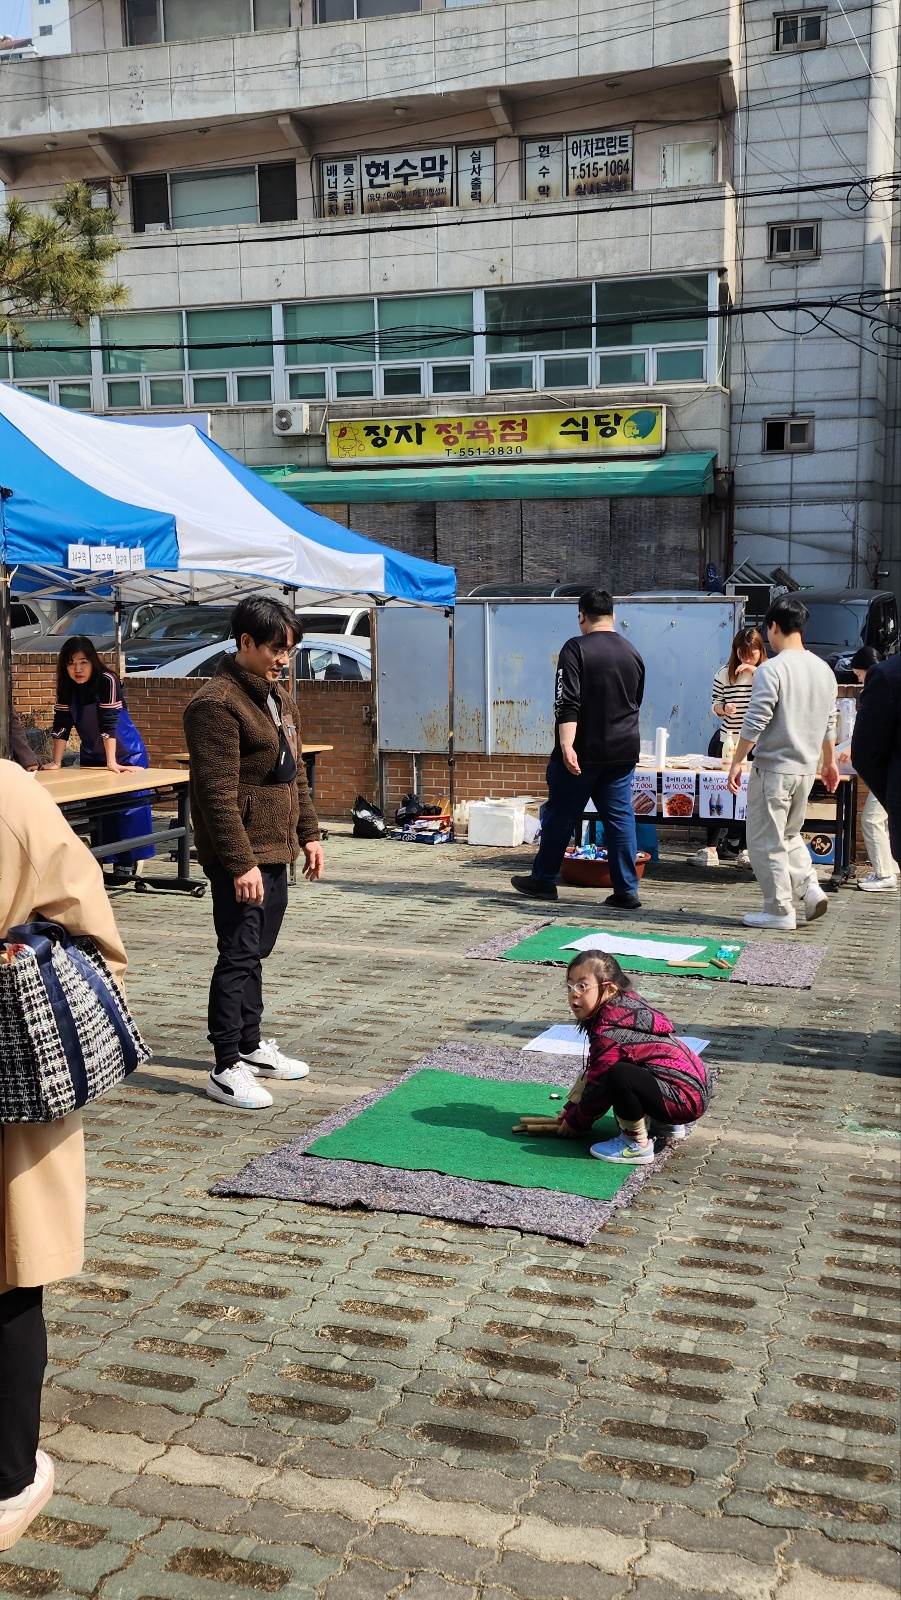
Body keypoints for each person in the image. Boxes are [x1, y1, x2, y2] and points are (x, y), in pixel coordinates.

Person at [0, 759, 128, 1551]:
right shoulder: (10, 792)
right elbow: (91, 937)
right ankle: (7, 1484)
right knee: (10, 1280)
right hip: (11, 1083)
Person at [184, 595, 324, 1112]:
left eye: (289, 650)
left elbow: (294, 773)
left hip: (275, 846)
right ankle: (225, 1065)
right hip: (240, 853)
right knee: (239, 952)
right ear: (245, 642)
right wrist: (240, 863)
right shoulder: (215, 705)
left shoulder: (278, 697)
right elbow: (215, 795)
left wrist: (310, 833)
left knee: (256, 950)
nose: (283, 660)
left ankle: (249, 1043)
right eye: (275, 649)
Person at [511, 587, 645, 909]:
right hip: (623, 749)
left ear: (581, 616)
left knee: (560, 815)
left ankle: (544, 880)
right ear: (614, 616)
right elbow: (635, 700)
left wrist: (566, 744)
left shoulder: (575, 648)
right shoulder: (632, 652)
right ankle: (626, 890)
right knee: (620, 818)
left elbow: (566, 700)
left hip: (583, 751)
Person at [513, 950, 709, 1163]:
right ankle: (664, 1124)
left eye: (582, 986)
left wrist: (576, 1122)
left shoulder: (608, 1030)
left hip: (683, 1098)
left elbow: (599, 1083)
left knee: (619, 1075)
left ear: (610, 989)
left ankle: (635, 1143)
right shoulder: (627, 1003)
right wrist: (570, 1110)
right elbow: (595, 1069)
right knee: (628, 1068)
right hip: (690, 1090)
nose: (573, 994)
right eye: (570, 986)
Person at [727, 596, 839, 930]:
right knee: (789, 836)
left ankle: (778, 910)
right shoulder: (823, 670)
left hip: (774, 769)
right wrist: (829, 762)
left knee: (765, 841)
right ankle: (810, 888)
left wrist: (737, 760)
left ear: (773, 627)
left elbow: (755, 720)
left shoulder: (771, 669)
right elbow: (830, 720)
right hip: (806, 770)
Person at [48, 636, 154, 882]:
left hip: (126, 754)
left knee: (128, 808)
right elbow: (62, 724)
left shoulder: (107, 679)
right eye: (71, 663)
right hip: (93, 756)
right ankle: (103, 859)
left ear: (93, 661)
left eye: (83, 662)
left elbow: (109, 722)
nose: (77, 669)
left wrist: (112, 762)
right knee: (100, 811)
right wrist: (56, 762)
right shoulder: (66, 686)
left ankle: (127, 861)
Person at [693, 624, 766, 868]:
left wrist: (757, 672)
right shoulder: (724, 673)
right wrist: (723, 708)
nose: (746, 659)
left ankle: (746, 848)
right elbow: (714, 703)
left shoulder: (768, 673)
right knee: (716, 789)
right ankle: (711, 847)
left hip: (756, 742)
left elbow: (777, 699)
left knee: (750, 795)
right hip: (728, 740)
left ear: (760, 651)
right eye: (742, 653)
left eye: (752, 653)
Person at [851, 651, 901, 889]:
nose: (858, 679)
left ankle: (885, 873)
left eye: (858, 674)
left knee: (871, 819)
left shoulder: (885, 677)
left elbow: (865, 752)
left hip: (889, 774)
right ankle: (888, 870)